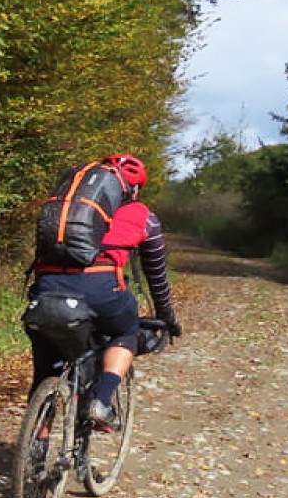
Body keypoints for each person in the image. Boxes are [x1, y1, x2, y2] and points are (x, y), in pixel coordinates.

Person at [27, 153, 181, 430]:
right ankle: (101, 401)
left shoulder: (69, 208)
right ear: (132, 189)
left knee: (45, 369)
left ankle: (35, 457)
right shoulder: (142, 216)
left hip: (46, 289)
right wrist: (166, 315)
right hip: (101, 290)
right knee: (127, 331)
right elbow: (156, 275)